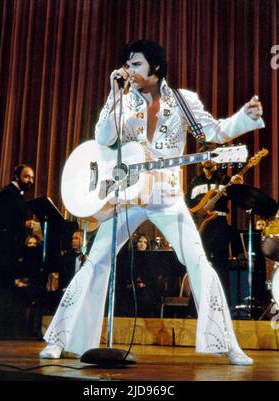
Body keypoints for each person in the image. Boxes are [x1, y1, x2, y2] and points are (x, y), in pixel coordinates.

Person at [40, 40, 264, 365]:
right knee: (96, 260)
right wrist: (114, 96)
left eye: (136, 65)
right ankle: (60, 339)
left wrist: (243, 118)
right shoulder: (123, 100)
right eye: (127, 65)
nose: (129, 71)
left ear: (155, 68)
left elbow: (214, 131)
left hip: (167, 196)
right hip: (128, 197)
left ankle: (227, 343)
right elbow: (103, 139)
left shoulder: (183, 101)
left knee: (198, 262)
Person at [185, 160, 243, 300]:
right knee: (199, 262)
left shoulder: (226, 179)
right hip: (199, 226)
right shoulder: (195, 181)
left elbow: (239, 198)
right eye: (205, 156)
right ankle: (198, 304)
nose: (208, 160)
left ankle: (224, 303)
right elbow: (188, 203)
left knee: (221, 264)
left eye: (212, 156)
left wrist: (239, 186)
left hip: (219, 224)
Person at [0, 164, 36, 287]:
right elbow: (1, 219)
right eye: (26, 177)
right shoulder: (7, 193)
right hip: (3, 246)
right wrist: (23, 223)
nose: (30, 181)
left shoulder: (18, 194)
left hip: (11, 246)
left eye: (32, 177)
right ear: (16, 176)